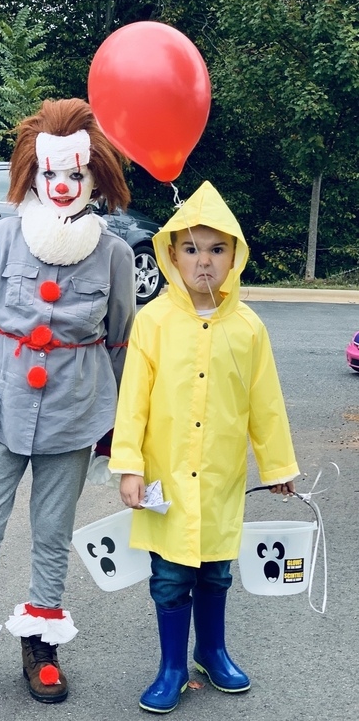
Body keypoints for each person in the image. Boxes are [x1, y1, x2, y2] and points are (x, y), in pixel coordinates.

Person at [0, 98, 135, 704]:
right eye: (51, 175)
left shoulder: (114, 254)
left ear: (93, 179)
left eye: (75, 175)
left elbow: (120, 341)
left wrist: (115, 424)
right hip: (1, 408)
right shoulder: (2, 237)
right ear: (34, 174)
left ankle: (40, 645)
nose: (62, 186)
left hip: (74, 412)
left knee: (50, 531)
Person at [108, 180, 299, 714]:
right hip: (164, 476)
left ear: (235, 253)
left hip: (219, 479)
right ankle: (171, 666)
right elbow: (134, 404)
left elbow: (266, 402)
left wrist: (277, 463)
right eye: (191, 249)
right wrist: (127, 466)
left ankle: (211, 651)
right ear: (171, 254)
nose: (204, 262)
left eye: (217, 248)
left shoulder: (248, 328)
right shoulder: (154, 322)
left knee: (216, 568)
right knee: (170, 575)